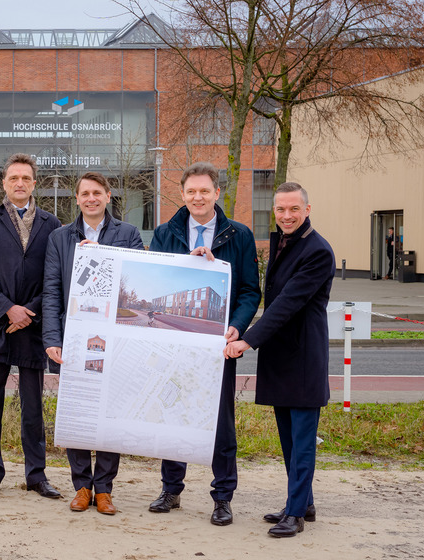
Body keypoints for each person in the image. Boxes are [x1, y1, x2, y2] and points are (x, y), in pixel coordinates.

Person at [147, 161, 261, 526]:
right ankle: (171, 489)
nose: (198, 197)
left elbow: (248, 291)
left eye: (205, 191)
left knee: (220, 422)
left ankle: (223, 497)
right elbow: (154, 280)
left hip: (218, 347)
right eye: (191, 191)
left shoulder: (238, 235)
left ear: (216, 193)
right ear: (182, 194)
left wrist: (237, 326)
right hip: (174, 345)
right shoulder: (165, 233)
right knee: (171, 411)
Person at [225, 182, 335, 538]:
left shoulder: (317, 251)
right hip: (280, 356)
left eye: (294, 210)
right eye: (281, 210)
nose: (287, 216)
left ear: (307, 209)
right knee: (288, 438)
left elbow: (287, 303)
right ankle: (302, 502)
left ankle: (297, 515)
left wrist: (247, 340)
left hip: (303, 358)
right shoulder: (283, 243)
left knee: (302, 440)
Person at [43, 171, 145, 515]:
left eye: (97, 192)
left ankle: (104, 489)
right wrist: (52, 339)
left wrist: (103, 257)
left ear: (108, 195)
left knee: (109, 414)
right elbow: (52, 290)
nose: (91, 198)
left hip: (115, 338)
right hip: (73, 338)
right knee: (77, 412)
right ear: (76, 198)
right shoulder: (59, 238)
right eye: (85, 193)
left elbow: (135, 285)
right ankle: (82, 486)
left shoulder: (128, 235)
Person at [0, 153, 63, 499]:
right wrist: (8, 309)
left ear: (34, 183)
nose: (19, 184)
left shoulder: (52, 225)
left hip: (33, 327)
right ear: (4, 183)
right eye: (13, 178)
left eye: (25, 178)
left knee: (33, 406)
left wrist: (29, 312)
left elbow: (55, 278)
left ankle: (36, 475)